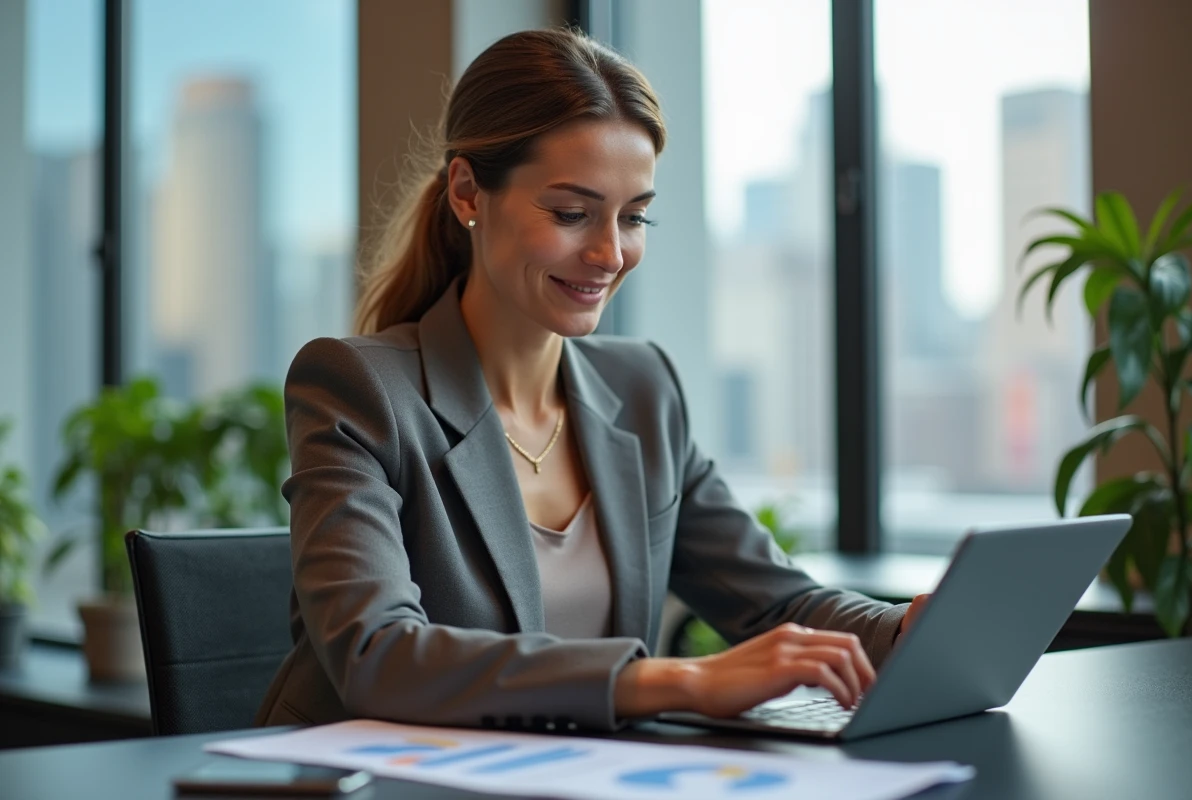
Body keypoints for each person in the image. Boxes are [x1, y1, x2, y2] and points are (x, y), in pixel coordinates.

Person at [256, 27, 928, 734]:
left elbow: (773, 601)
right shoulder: (358, 388)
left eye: (634, 216)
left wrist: (901, 628)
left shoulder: (643, 389)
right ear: (466, 193)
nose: (610, 253)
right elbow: (378, 657)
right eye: (572, 213)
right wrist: (679, 681)